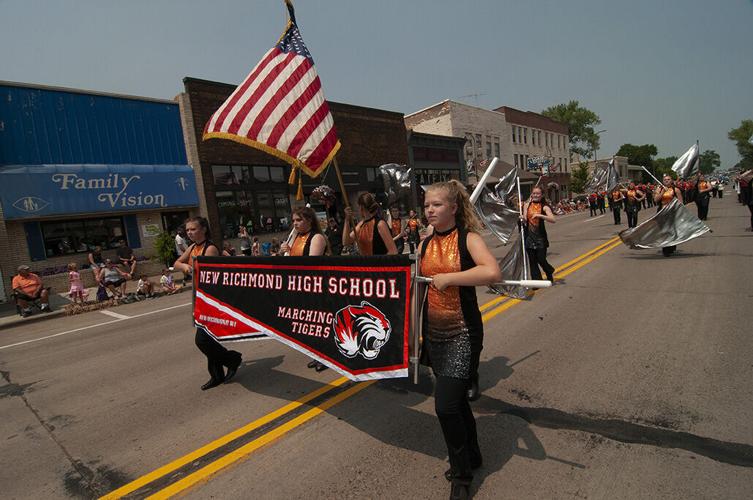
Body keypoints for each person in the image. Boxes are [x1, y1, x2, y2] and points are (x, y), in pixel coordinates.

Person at [419, 180, 502, 499]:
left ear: (453, 208)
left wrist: (451, 278)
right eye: (427, 205)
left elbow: (491, 272)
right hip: (435, 332)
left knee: (445, 406)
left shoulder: (469, 239)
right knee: (455, 403)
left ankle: (462, 476)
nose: (429, 210)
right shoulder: (426, 242)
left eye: (436, 205)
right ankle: (474, 453)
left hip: (463, 332)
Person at [174, 216, 242, 390]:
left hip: (212, 299)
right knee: (209, 338)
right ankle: (217, 374)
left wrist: (194, 270)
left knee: (202, 340)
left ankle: (232, 359)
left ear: (203, 229)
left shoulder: (210, 249)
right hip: (199, 298)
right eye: (188, 230)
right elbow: (177, 263)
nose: (190, 233)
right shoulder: (192, 248)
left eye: (193, 229)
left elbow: (210, 278)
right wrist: (184, 267)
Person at [280, 206, 330, 372]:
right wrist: (286, 252)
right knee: (309, 325)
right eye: (293, 220)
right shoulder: (295, 238)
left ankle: (326, 357)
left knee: (320, 324)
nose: (295, 223)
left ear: (309, 220)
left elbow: (311, 264)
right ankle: (316, 355)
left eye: (299, 220)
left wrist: (292, 253)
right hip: (301, 287)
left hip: (317, 287)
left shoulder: (317, 237)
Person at [522, 186, 557, 283]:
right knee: (532, 261)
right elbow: (525, 218)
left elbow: (553, 219)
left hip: (540, 238)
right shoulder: (526, 205)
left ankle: (549, 271)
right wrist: (522, 218)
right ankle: (536, 282)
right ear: (531, 194)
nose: (536, 195)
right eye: (534, 193)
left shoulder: (544, 206)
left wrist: (540, 215)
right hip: (529, 237)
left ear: (542, 195)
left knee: (541, 259)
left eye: (538, 193)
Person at [654, 174, 684, 256]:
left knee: (671, 231)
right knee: (664, 231)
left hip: (672, 212)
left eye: (668, 179)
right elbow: (656, 200)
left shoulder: (676, 190)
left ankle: (672, 245)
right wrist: (663, 192)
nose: (666, 181)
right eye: (665, 180)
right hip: (662, 212)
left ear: (671, 181)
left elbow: (681, 202)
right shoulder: (659, 189)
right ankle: (665, 249)